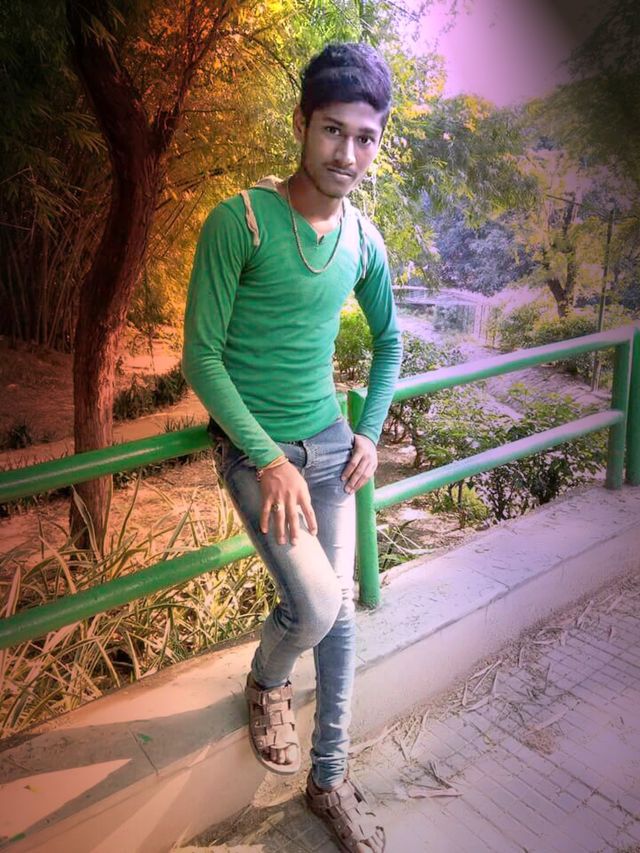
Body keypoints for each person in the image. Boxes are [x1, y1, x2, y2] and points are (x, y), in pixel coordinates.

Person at [182, 41, 402, 853]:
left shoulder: (363, 240)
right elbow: (201, 357)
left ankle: (329, 778)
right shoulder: (239, 220)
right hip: (257, 453)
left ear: (378, 140)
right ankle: (266, 678)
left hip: (332, 448)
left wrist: (370, 429)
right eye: (333, 130)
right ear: (303, 123)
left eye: (365, 137)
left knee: (340, 616)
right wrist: (268, 458)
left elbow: (392, 341)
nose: (347, 153)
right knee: (313, 604)